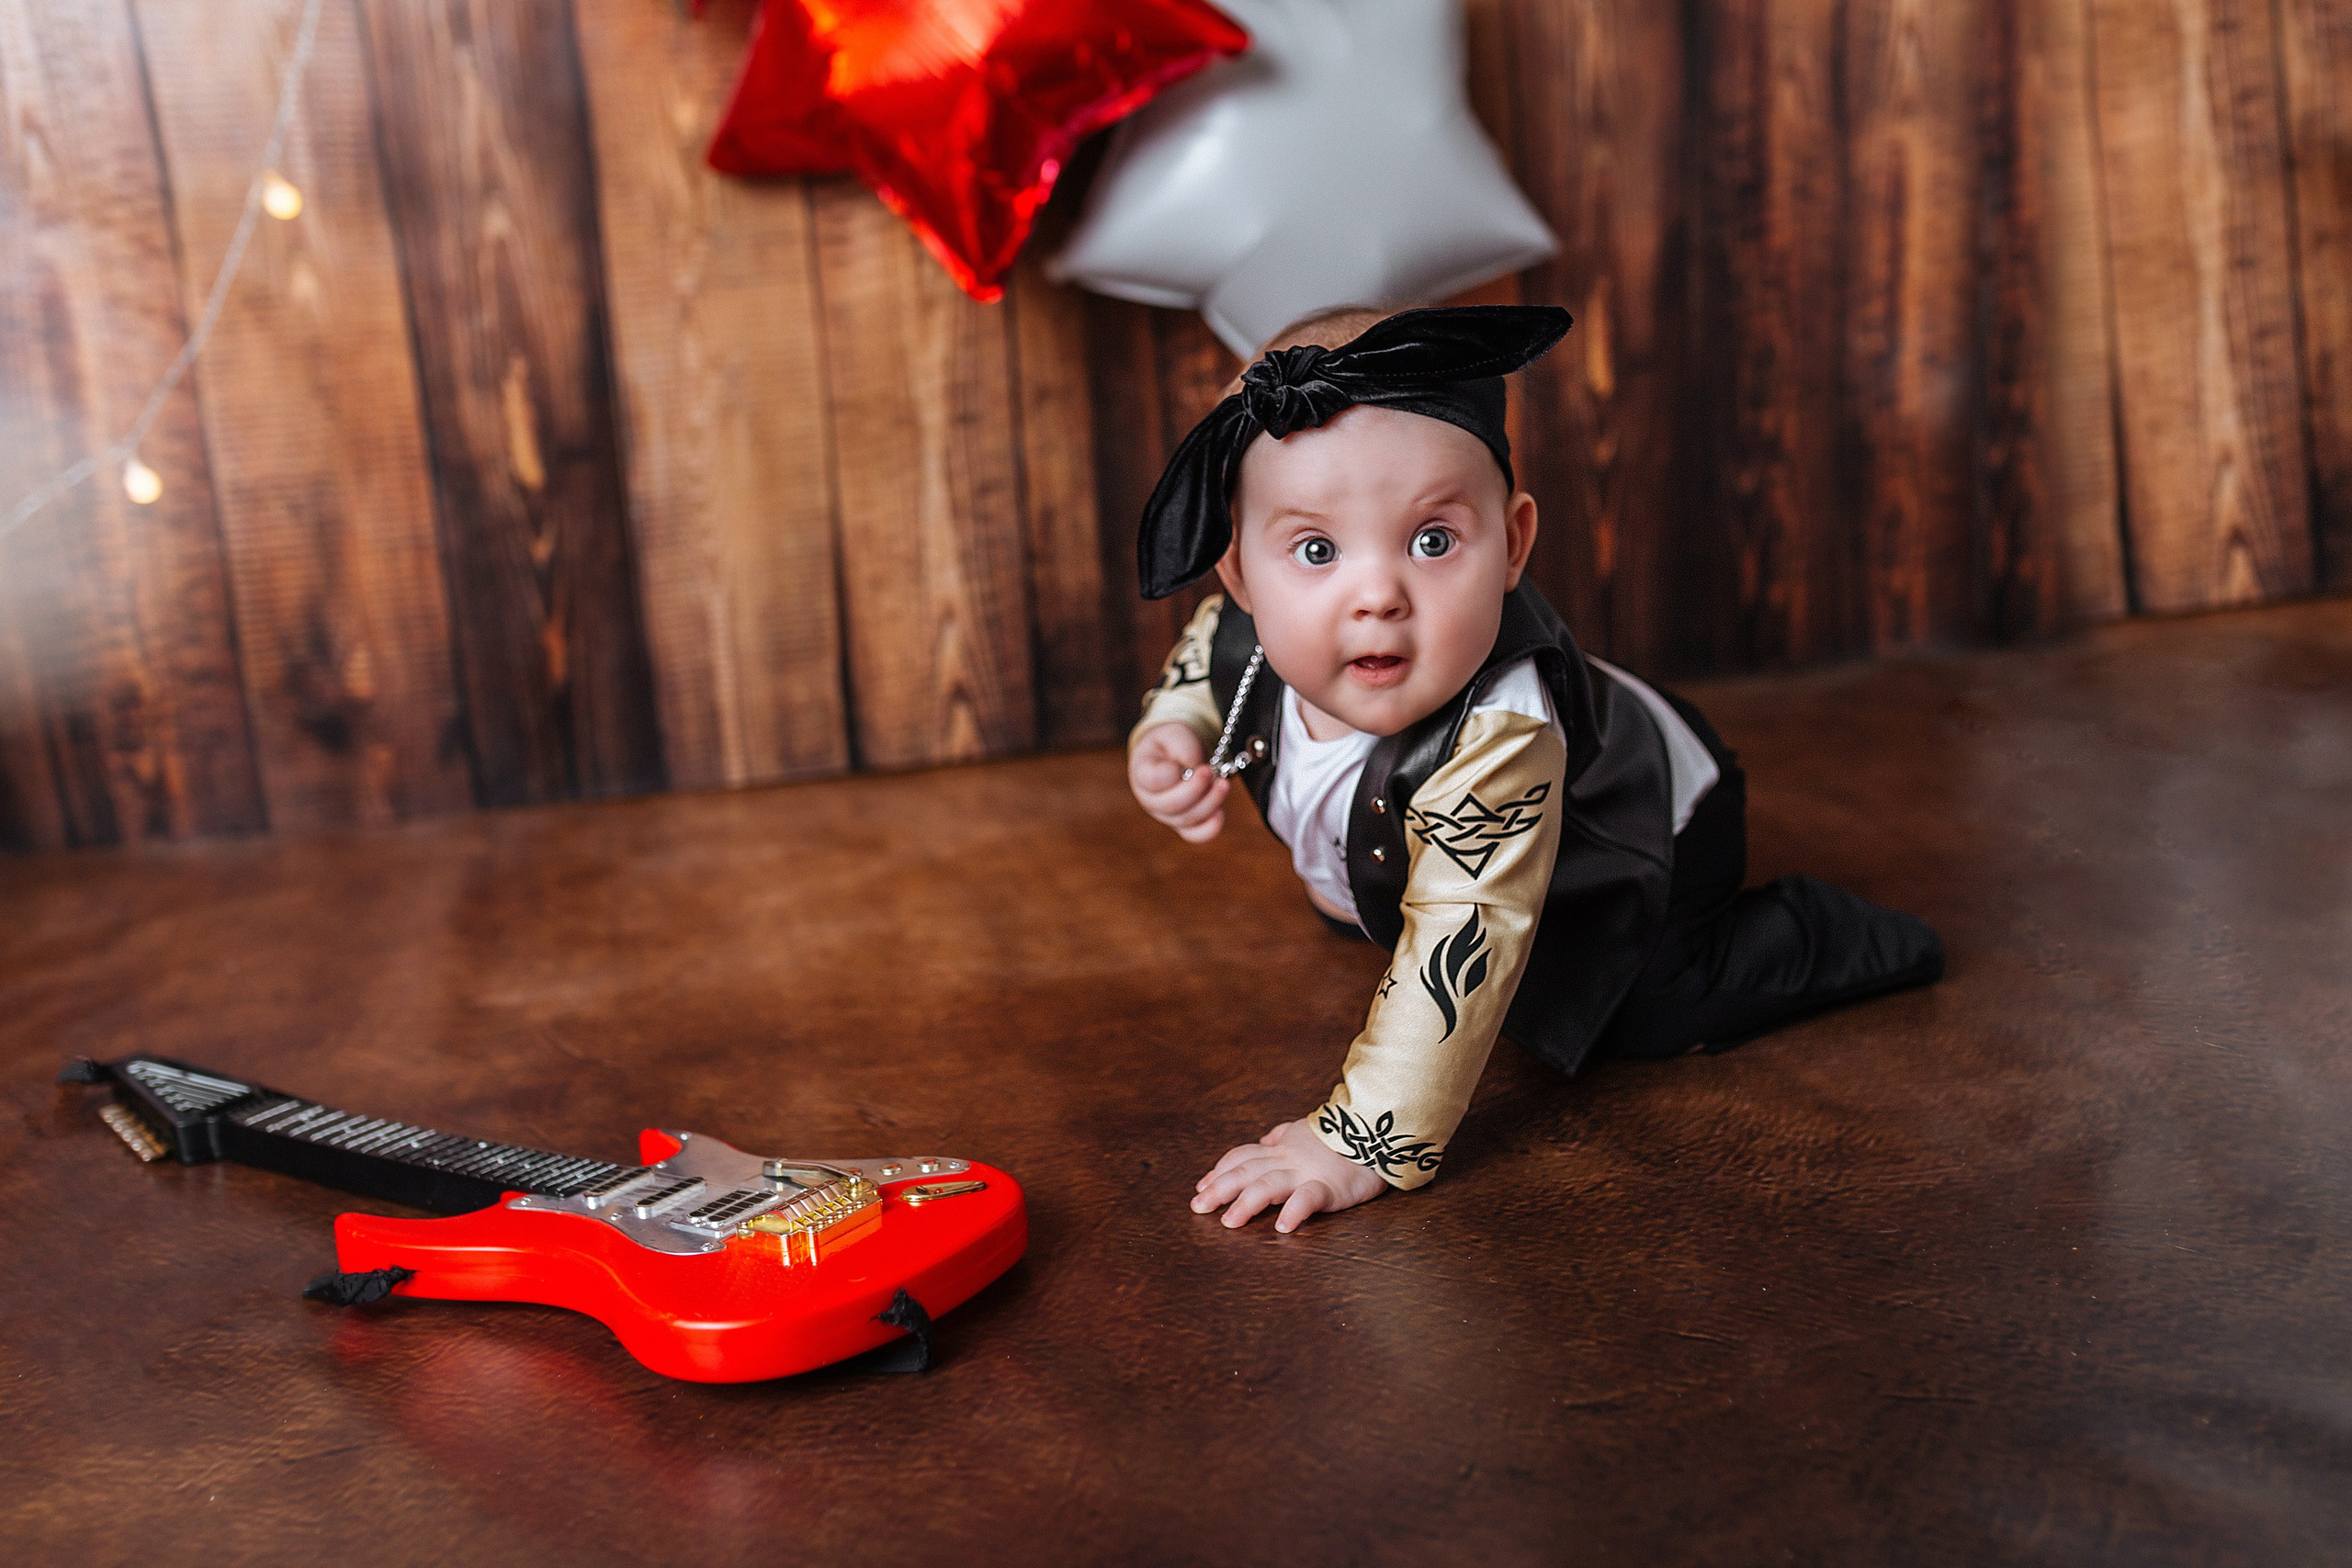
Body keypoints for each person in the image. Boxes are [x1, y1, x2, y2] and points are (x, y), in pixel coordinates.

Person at [1125, 304, 1943, 1235]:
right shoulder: (1246, 629)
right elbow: (1205, 659)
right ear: (1239, 574)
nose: (1377, 595)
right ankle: (1370, 884)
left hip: (1645, 835)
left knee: (1632, 1013)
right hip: (1449, 840)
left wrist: (1359, 1139)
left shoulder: (1501, 735)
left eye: (1432, 540)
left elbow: (1466, 927)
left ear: (1513, 544)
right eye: (1316, 550)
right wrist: (1173, 733)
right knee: (1386, 894)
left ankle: (1820, 938)